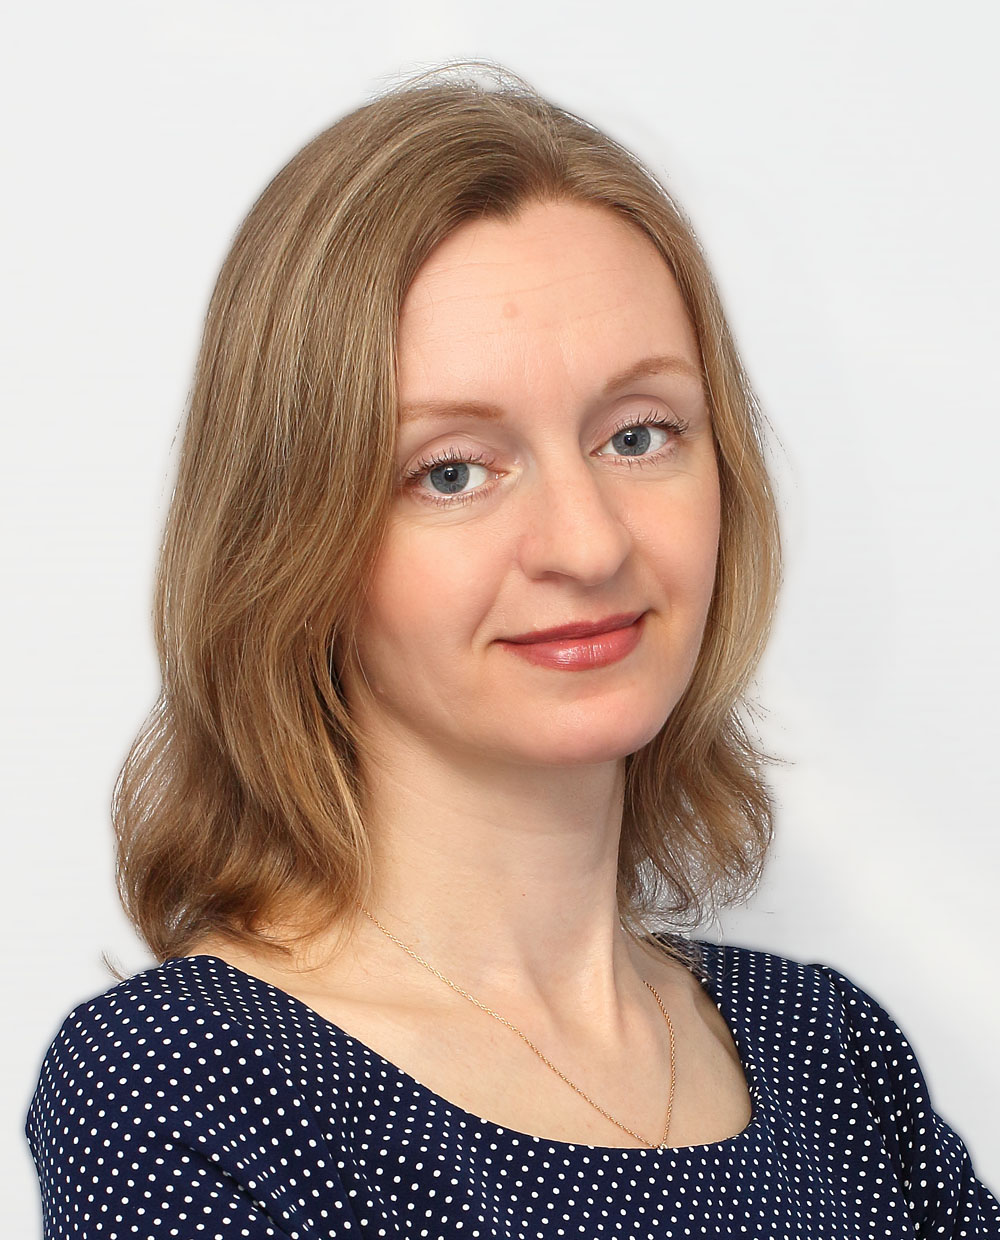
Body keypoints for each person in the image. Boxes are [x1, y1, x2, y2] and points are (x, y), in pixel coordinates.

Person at [24, 63, 999, 1238]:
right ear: (291, 541)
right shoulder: (191, 1080)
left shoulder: (827, 1052)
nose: (588, 543)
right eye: (451, 471)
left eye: (638, 435)